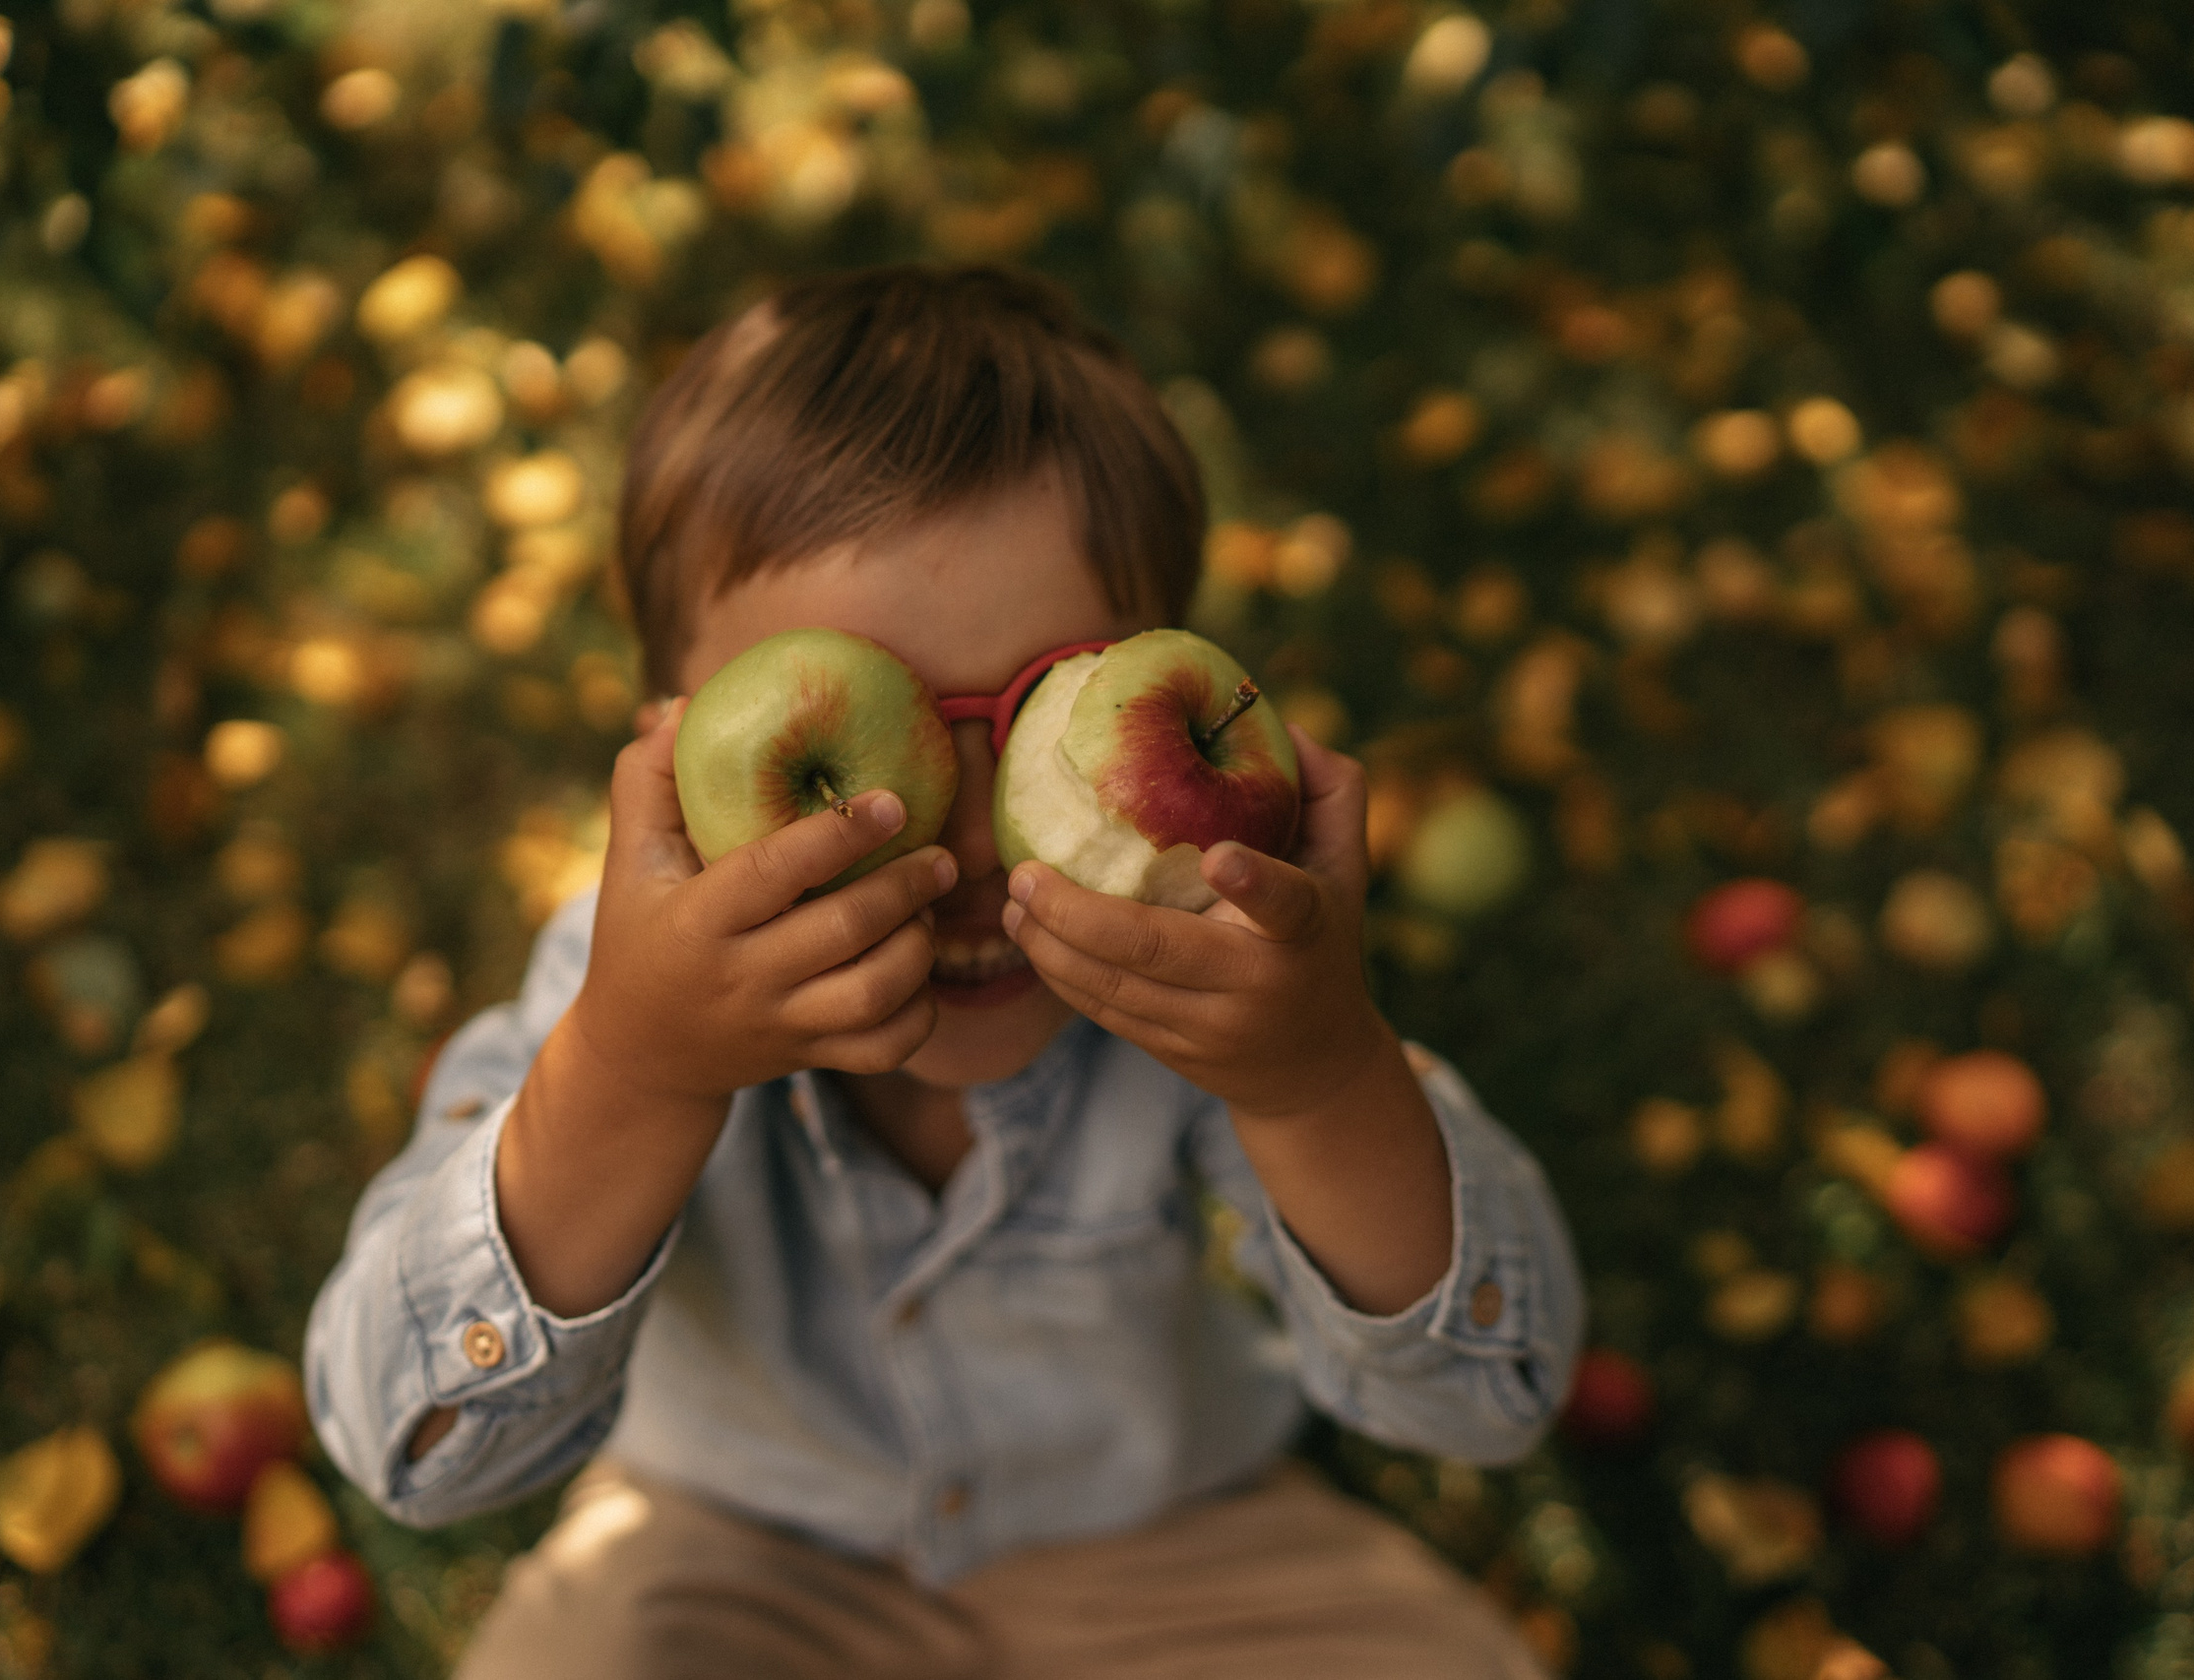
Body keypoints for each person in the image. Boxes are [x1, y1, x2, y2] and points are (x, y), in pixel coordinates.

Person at [305, 264, 1582, 1679]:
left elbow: (1487, 1403)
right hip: (737, 1542)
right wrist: (634, 1071)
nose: (969, 835)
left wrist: (1320, 1076)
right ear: (672, 750)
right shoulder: (621, 998)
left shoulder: (1203, 969)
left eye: (1046, 715)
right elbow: (411, 1448)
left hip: (1156, 1532)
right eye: (858, 738)